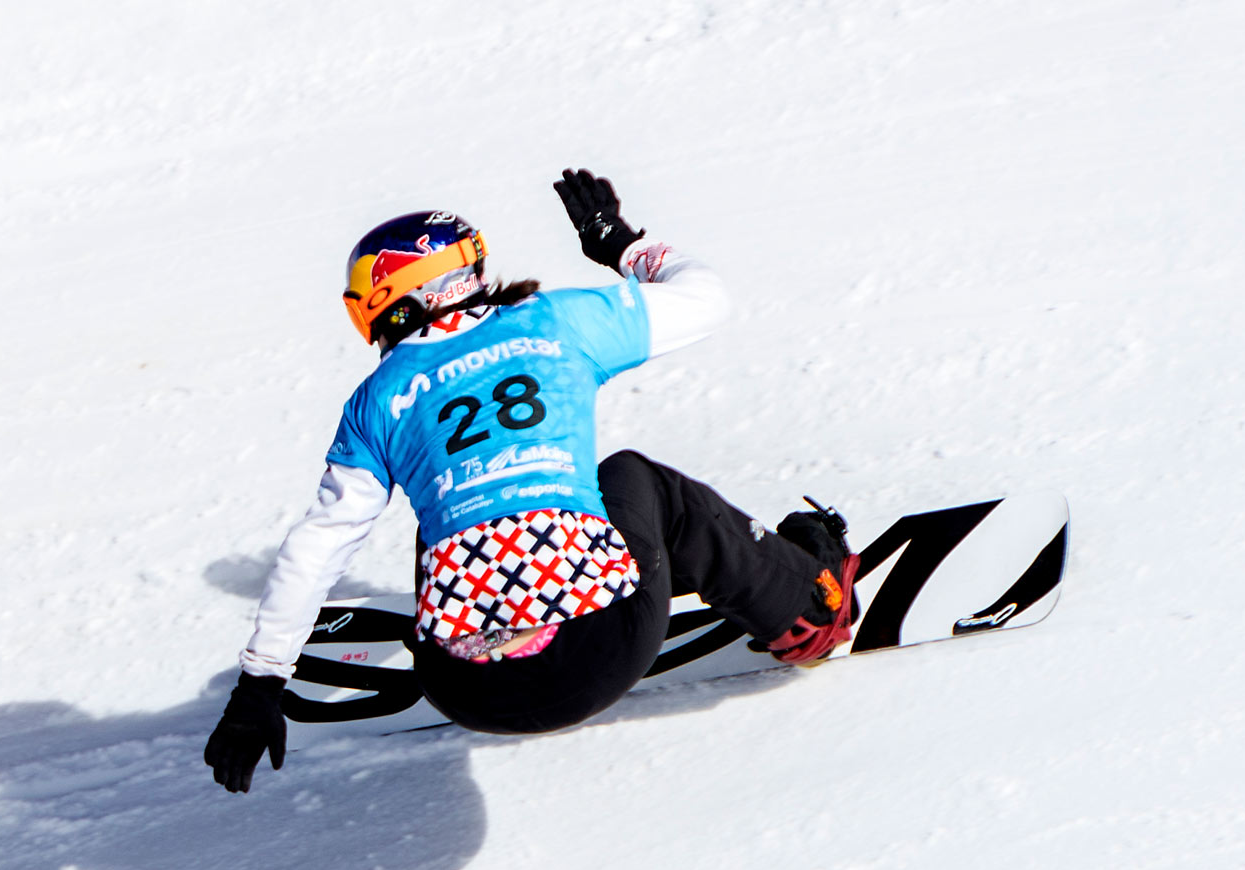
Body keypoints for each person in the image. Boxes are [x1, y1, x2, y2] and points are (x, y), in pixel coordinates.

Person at [205, 169, 859, 793]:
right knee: (634, 479)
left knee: (446, 508)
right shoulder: (553, 321)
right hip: (601, 651)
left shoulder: (378, 399)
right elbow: (708, 299)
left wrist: (259, 686)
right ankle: (810, 607)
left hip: (463, 690)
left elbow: (315, 548)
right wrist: (623, 245)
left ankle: (491, 621)